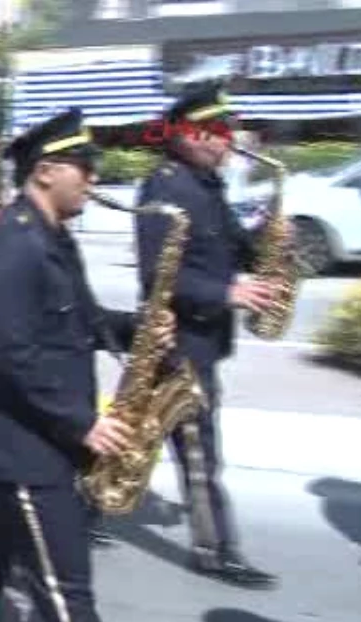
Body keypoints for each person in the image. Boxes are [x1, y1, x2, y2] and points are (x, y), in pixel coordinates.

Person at [0, 108, 174, 622]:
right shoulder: (10, 245)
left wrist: (138, 328)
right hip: (28, 453)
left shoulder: (56, 241)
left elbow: (80, 320)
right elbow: (11, 355)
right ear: (46, 171)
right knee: (65, 592)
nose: (93, 179)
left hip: (33, 447)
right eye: (84, 167)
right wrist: (78, 422)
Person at [134, 81, 280, 589]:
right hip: (178, 344)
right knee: (199, 453)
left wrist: (268, 238)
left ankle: (84, 506)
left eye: (227, 131)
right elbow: (158, 276)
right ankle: (216, 550)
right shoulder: (165, 187)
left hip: (200, 341)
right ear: (188, 135)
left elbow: (231, 246)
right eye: (216, 131)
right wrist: (227, 294)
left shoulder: (207, 185)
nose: (226, 141)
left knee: (133, 436)